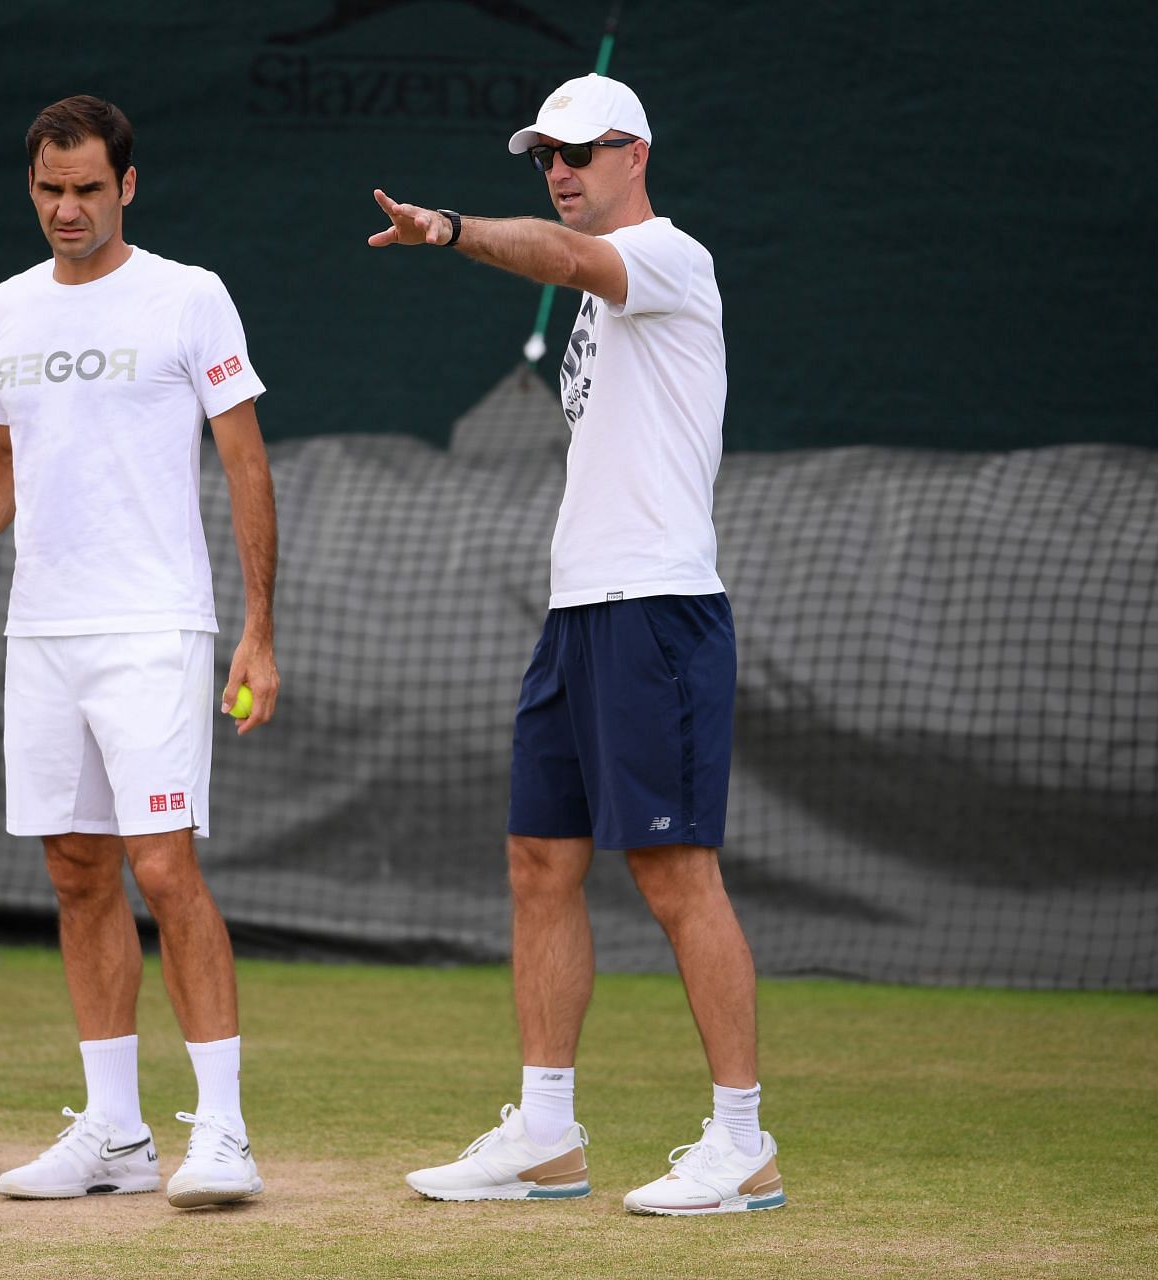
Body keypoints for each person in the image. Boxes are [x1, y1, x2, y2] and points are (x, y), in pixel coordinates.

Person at [368, 74, 783, 1216]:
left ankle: (742, 1141)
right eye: (546, 152)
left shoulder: (668, 259)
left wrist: (448, 228)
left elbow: (556, 253)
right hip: (580, 611)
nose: (560, 167)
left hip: (658, 610)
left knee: (674, 873)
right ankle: (546, 1135)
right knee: (539, 862)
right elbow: (565, 258)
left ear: (634, 153)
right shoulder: (603, 298)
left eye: (582, 151)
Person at [0, 94, 277, 1209]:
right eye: (50, 190)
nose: (67, 208)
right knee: (75, 869)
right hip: (44, 629)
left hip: (157, 625)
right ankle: (114, 1134)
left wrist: (258, 627)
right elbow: (5, 456)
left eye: (87, 189)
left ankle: (227, 1132)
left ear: (128, 187)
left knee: (163, 865)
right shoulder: (7, 308)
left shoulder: (190, 296)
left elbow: (246, 462)